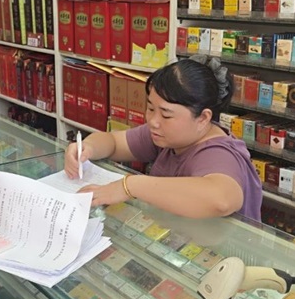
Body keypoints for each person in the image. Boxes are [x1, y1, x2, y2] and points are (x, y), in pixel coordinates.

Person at [65, 56, 262, 221]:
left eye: (166, 115)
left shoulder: (219, 154)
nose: (153, 121)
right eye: (151, 108)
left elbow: (222, 200)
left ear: (203, 118)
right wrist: (87, 147)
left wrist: (129, 186)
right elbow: (114, 142)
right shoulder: (168, 136)